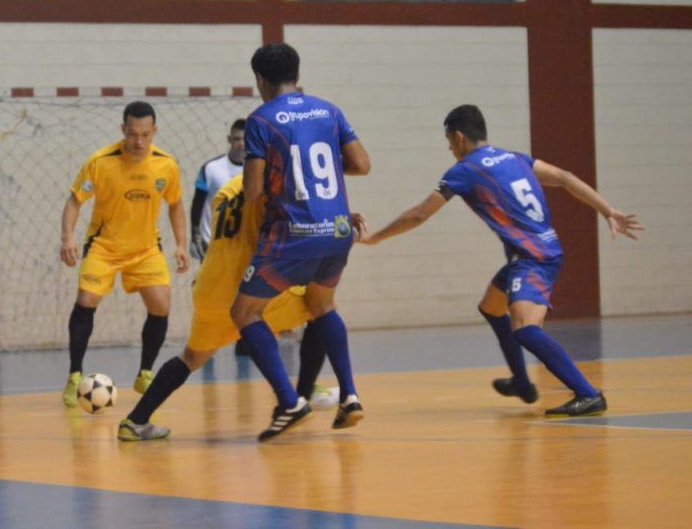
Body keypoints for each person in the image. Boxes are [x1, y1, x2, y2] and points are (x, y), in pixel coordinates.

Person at [360, 104, 642, 417]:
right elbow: (564, 177)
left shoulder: (465, 170)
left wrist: (376, 238)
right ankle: (522, 382)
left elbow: (419, 214)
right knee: (492, 307)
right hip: (539, 251)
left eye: (449, 142)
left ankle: (588, 394)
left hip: (534, 258)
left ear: (459, 136)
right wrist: (607, 210)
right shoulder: (515, 157)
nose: (450, 148)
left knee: (524, 328)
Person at [117, 174, 355, 441]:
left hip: (210, 287)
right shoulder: (274, 184)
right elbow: (282, 231)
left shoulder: (228, 188)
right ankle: (300, 397)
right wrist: (334, 226)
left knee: (191, 358)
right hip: (247, 287)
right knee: (319, 307)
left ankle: (135, 421)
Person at [231, 43, 372, 441]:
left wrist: (278, 171)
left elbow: (254, 191)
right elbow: (361, 164)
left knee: (244, 314)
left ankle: (290, 401)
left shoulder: (261, 120)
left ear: (260, 79)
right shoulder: (329, 110)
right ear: (297, 73)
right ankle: (350, 395)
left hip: (295, 234)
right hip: (339, 230)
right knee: (322, 305)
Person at [59, 101, 190, 407]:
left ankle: (145, 372)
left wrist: (181, 245)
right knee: (86, 299)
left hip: (145, 248)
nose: (139, 141)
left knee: (161, 304)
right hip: (104, 246)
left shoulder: (166, 165)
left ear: (154, 131)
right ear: (123, 130)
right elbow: (74, 201)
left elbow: (176, 205)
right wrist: (67, 237)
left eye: (145, 134)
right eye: (132, 134)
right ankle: (75, 375)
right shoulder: (101, 162)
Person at [189, 119, 246, 261]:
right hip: (212, 244)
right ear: (229, 140)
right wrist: (195, 235)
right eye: (237, 139)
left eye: (245, 139)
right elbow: (197, 204)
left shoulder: (260, 170)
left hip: (245, 246)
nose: (241, 144)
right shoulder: (211, 168)